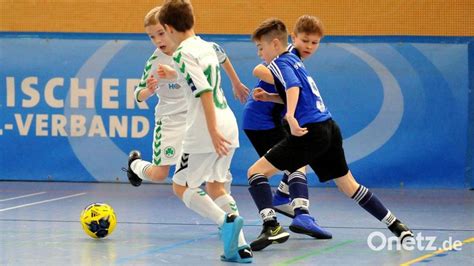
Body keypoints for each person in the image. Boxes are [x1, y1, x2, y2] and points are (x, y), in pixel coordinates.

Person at [247, 18, 414, 251]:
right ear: (293, 39)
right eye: (306, 41)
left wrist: (291, 117)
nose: (259, 53)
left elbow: (293, 87)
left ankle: (271, 226)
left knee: (255, 172)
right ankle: (396, 224)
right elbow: (296, 90)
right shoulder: (296, 59)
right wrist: (271, 97)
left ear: (275, 44)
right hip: (329, 127)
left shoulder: (280, 61)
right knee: (349, 185)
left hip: (310, 131)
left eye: (260, 48)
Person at [157, 0, 252, 263]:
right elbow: (203, 75)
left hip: (205, 127)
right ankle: (242, 248)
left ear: (167, 27)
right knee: (216, 186)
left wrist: (210, 130)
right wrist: (174, 74)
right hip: (228, 123)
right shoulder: (206, 46)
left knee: (180, 185)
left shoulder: (181, 53)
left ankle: (225, 221)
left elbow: (204, 90)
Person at [124, 6, 249, 191]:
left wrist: (236, 83)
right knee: (160, 174)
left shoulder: (195, 48)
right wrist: (149, 91)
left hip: (195, 117)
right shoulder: (155, 62)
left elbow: (221, 56)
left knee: (214, 168)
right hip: (170, 120)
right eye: (152, 37)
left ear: (170, 28)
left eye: (161, 33)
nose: (158, 40)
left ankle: (223, 203)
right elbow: (138, 95)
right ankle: (135, 165)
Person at [243, 16, 329, 226]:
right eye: (305, 40)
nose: (308, 46)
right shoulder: (286, 54)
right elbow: (258, 69)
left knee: (299, 160)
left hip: (272, 119)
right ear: (293, 38)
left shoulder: (295, 61)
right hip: (261, 121)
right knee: (297, 162)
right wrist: (287, 81)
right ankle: (299, 213)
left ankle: (284, 200)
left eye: (314, 42)